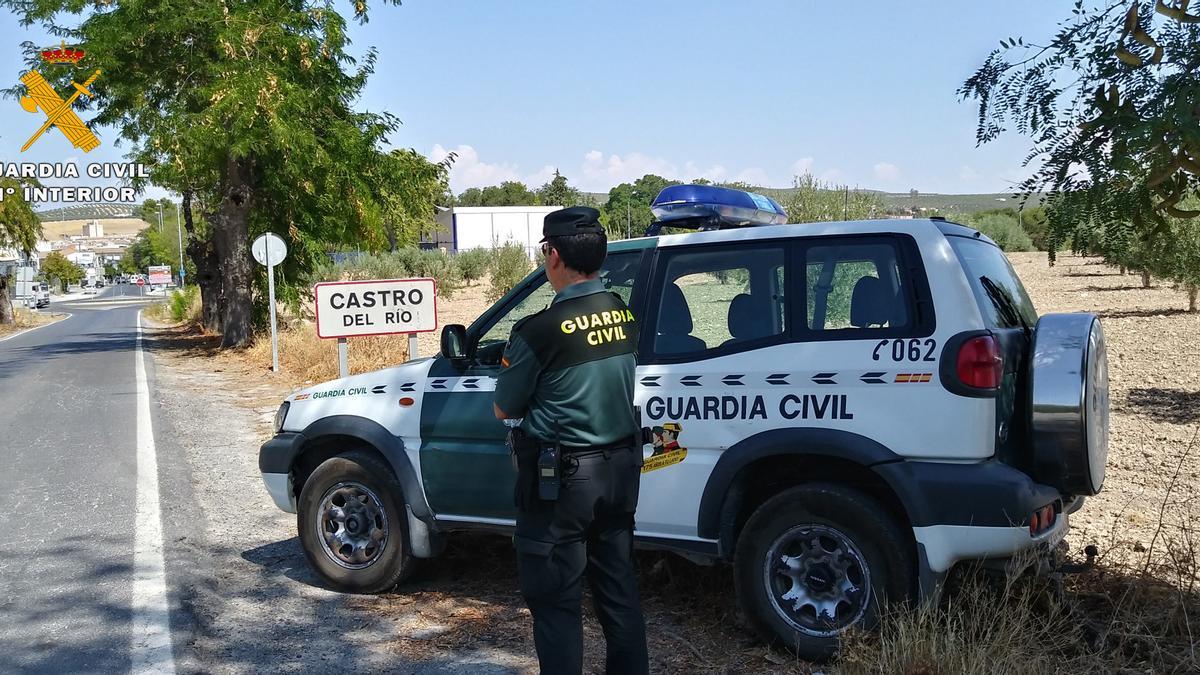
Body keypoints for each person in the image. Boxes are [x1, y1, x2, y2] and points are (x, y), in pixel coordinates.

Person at [493, 206, 649, 675]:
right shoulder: (623, 313)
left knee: (556, 602)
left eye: (545, 250)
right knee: (619, 593)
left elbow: (504, 408)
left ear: (555, 255)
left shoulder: (539, 330)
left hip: (562, 484)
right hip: (621, 472)